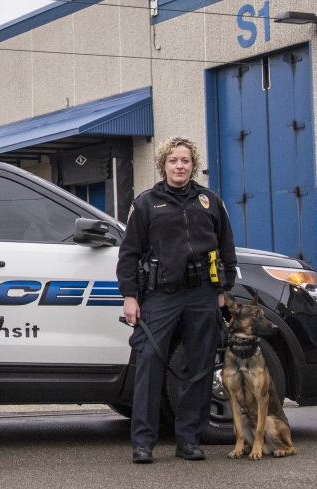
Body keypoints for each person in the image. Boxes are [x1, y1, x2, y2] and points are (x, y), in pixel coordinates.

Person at [116, 136, 236, 464]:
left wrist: (223, 289)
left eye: (185, 160)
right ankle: (143, 442)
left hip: (202, 294)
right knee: (150, 366)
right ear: (163, 165)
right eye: (173, 161)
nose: (179, 166)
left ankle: (188, 440)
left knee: (198, 367)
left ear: (193, 165)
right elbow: (129, 253)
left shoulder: (210, 201)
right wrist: (130, 295)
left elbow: (227, 248)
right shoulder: (146, 203)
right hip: (160, 295)